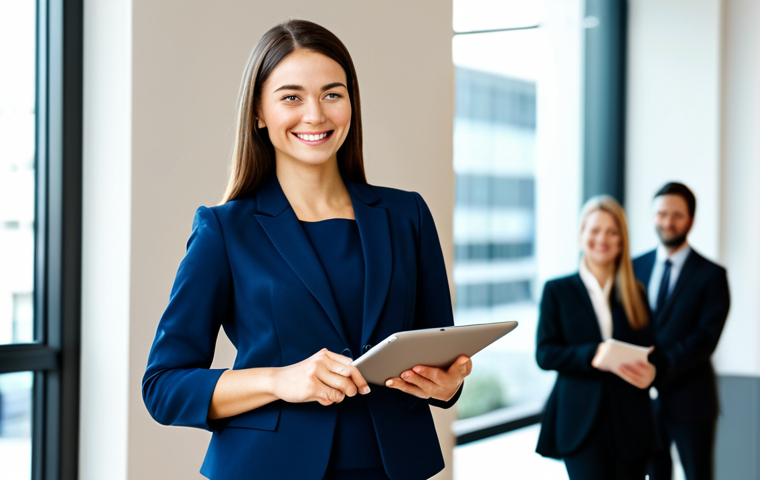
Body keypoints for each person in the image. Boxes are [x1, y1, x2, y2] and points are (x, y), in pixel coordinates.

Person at [141, 19, 471, 480]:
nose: (315, 115)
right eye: (291, 97)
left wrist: (447, 384)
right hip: (267, 468)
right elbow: (164, 387)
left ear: (350, 105)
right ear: (259, 112)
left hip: (394, 466)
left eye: (332, 94)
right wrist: (280, 380)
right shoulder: (224, 229)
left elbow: (436, 346)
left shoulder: (407, 215)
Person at [535, 195, 658, 480]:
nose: (602, 238)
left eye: (612, 232)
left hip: (631, 419)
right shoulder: (557, 290)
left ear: (621, 240)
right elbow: (545, 353)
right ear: (581, 236)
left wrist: (652, 371)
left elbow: (652, 350)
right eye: (595, 230)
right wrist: (594, 354)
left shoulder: (635, 292)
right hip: (580, 421)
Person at [633, 182, 730, 480]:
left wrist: (656, 367)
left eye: (676, 215)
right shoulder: (635, 267)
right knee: (653, 474)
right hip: (641, 401)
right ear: (652, 216)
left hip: (692, 400)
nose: (667, 222)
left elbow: (704, 339)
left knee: (698, 474)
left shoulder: (712, 275)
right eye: (661, 213)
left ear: (690, 219)